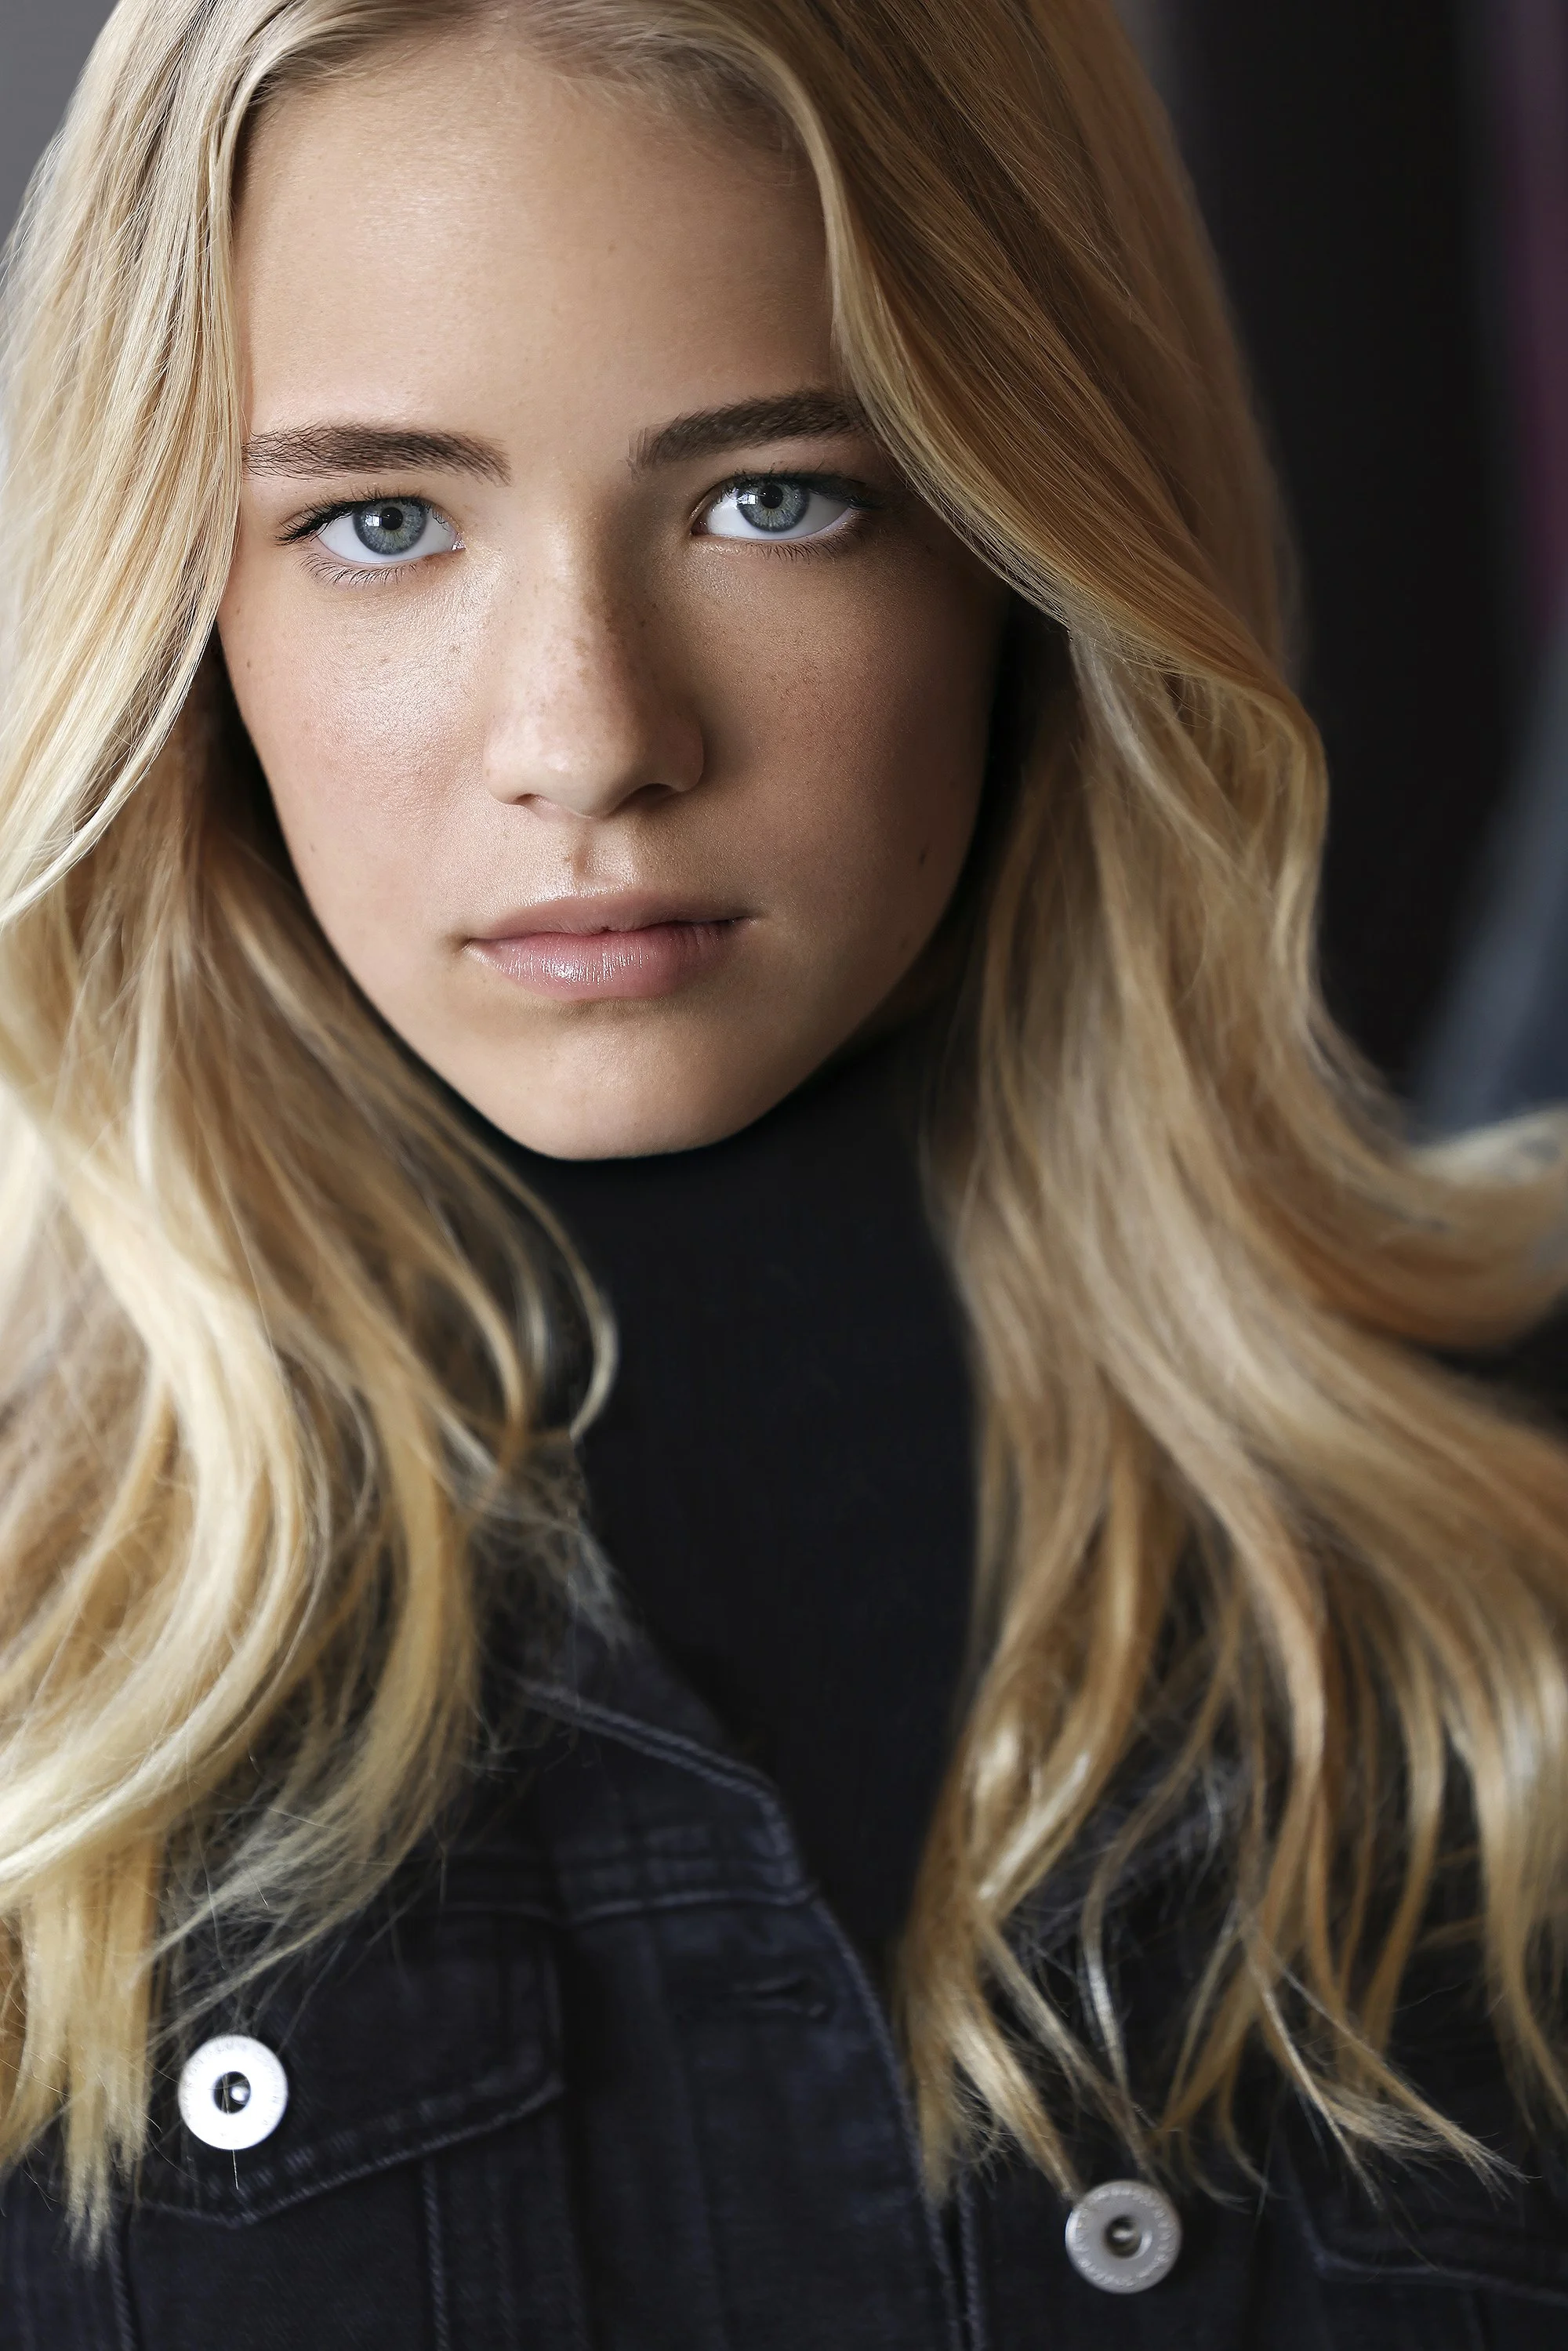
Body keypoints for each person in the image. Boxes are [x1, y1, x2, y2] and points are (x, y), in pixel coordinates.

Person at [3, 2, 1568, 2344]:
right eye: (382, 520)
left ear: (1031, 534)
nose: (591, 740)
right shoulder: (44, 1693)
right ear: (183, 601)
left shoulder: (1504, 1587)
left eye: (775, 494)